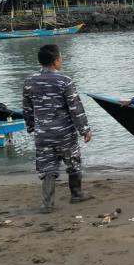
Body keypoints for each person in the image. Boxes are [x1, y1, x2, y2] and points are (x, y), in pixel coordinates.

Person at [23, 44, 93, 213]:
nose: (62, 60)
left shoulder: (29, 81)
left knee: (47, 166)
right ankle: (76, 194)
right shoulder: (64, 80)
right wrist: (85, 129)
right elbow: (75, 108)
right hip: (64, 133)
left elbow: (27, 108)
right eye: (61, 57)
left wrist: (32, 126)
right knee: (73, 163)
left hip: (42, 133)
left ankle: (47, 204)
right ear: (55, 61)